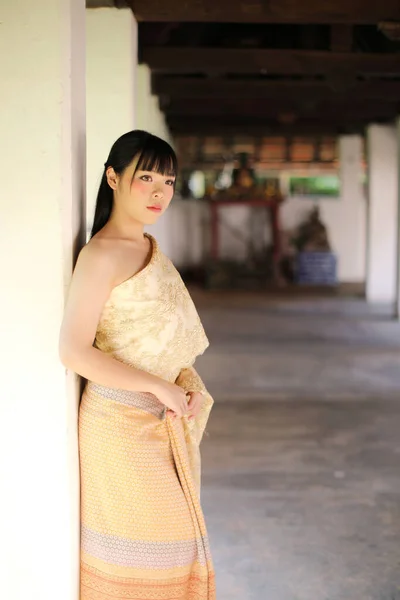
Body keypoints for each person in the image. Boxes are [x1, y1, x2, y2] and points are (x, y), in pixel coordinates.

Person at [59, 130, 215, 600]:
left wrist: (172, 389)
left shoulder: (148, 246)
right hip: (119, 424)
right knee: (146, 558)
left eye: (167, 181)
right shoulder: (100, 255)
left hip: (161, 418)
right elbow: (73, 350)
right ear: (113, 177)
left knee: (179, 548)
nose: (158, 192)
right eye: (144, 176)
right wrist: (160, 388)